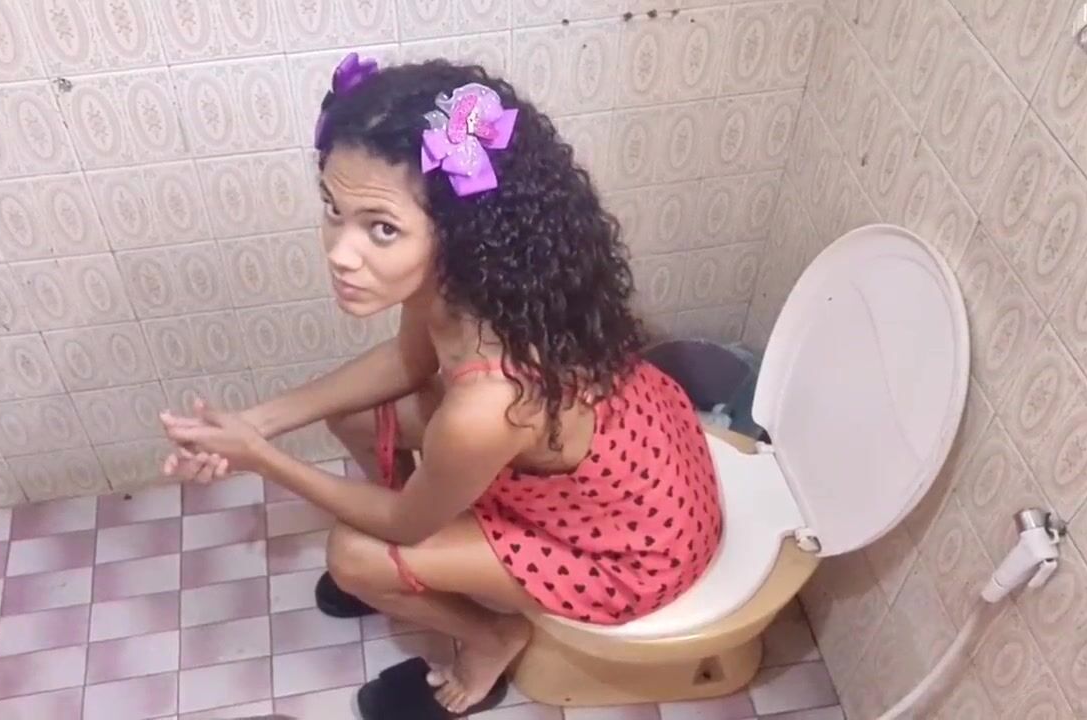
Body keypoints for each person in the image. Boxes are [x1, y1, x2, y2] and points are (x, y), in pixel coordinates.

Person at [159, 54, 723, 719]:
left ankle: (490, 639)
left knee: (353, 556)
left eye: (381, 228)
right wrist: (257, 421)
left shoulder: (493, 397)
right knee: (362, 416)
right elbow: (407, 364)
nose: (340, 252)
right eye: (334, 210)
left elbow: (404, 519)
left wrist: (261, 458)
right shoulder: (467, 286)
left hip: (629, 548)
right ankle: (429, 562)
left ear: (457, 234)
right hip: (628, 460)